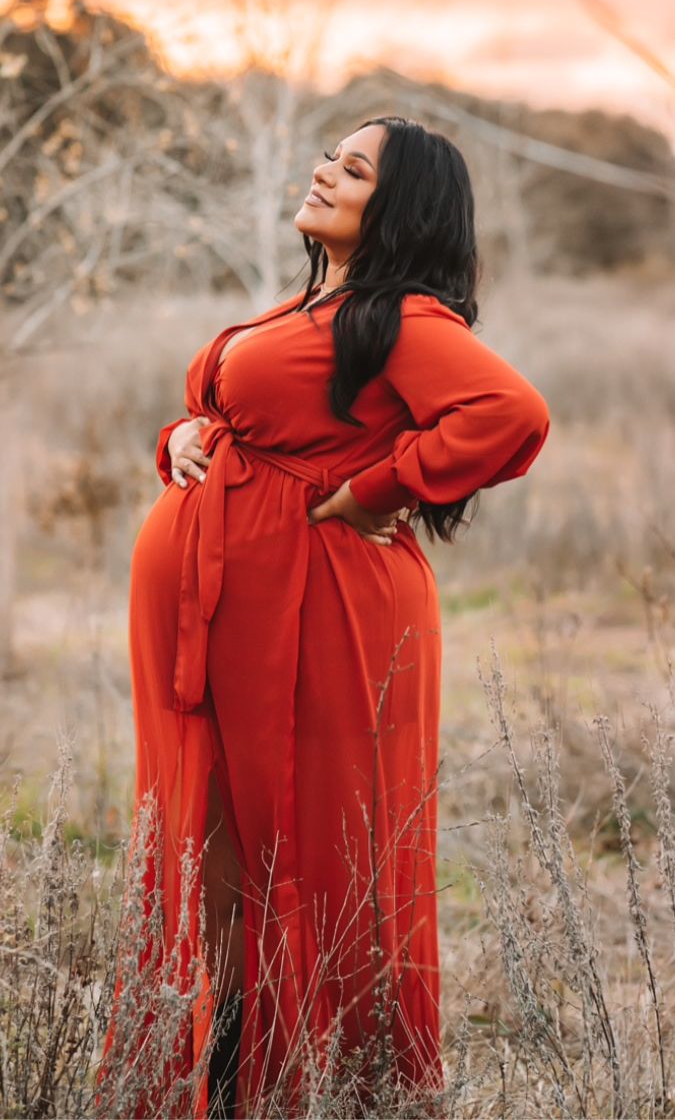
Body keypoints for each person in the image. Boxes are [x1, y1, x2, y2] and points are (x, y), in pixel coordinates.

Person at [99, 115, 550, 1119]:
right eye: (328, 155)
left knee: (299, 832)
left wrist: (377, 491)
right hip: (221, 608)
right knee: (209, 830)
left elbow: (512, 414)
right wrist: (183, 437)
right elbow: (253, 413)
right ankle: (215, 1068)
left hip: (308, 608)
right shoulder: (321, 306)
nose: (323, 171)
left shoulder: (403, 318)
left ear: (397, 207)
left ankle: (313, 1083)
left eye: (353, 168)